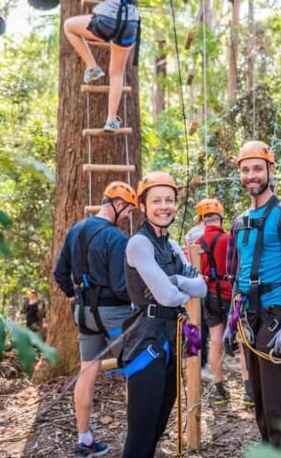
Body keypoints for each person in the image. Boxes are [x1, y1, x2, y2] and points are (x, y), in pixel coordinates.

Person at [223, 140, 281, 447]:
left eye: (257, 168)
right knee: (258, 399)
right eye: (245, 170)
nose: (251, 175)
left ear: (271, 170)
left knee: (277, 403)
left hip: (276, 314)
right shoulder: (240, 221)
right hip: (251, 316)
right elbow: (239, 276)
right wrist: (232, 322)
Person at [119, 171, 207, 458]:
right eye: (156, 200)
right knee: (142, 431)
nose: (164, 206)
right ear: (143, 206)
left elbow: (201, 287)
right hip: (146, 342)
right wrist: (180, 287)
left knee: (157, 426)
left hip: (169, 340)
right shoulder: (139, 244)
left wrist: (178, 282)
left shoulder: (169, 245)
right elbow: (167, 297)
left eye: (169, 200)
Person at [53, 181, 138, 457]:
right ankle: (138, 440)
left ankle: (85, 439)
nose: (127, 217)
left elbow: (60, 273)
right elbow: (121, 287)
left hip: (83, 313)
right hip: (113, 314)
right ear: (117, 204)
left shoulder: (76, 230)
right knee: (134, 371)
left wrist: (75, 295)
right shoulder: (116, 239)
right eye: (127, 211)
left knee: (87, 373)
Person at [65, 0, 141, 132]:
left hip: (107, 19)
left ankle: (92, 66)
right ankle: (110, 119)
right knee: (117, 73)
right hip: (129, 22)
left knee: (69, 26)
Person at [195, 198, 235, 404]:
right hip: (229, 294)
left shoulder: (197, 244)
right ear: (220, 217)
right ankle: (248, 391)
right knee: (244, 343)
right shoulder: (229, 239)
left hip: (208, 297)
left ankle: (219, 389)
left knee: (215, 340)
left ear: (203, 220)